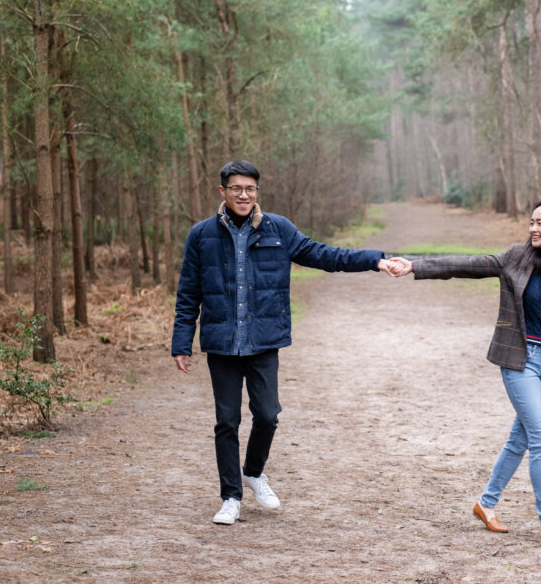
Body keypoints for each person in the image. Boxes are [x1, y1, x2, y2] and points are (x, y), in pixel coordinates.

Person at [171, 160, 402, 525]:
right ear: (222, 192)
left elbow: (327, 255)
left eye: (250, 189)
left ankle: (254, 471)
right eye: (236, 189)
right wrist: (181, 341)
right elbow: (188, 292)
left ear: (257, 192)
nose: (243, 195)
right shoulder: (201, 236)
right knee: (226, 422)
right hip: (222, 344)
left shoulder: (279, 229)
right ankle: (231, 496)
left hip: (264, 340)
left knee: (267, 415)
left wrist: (376, 261)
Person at [388, 199, 541, 542]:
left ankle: (486, 503)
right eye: (531, 222)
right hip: (520, 360)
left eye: (540, 223)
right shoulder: (515, 258)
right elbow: (467, 264)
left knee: (521, 438)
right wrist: (415, 265)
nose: (533, 228)